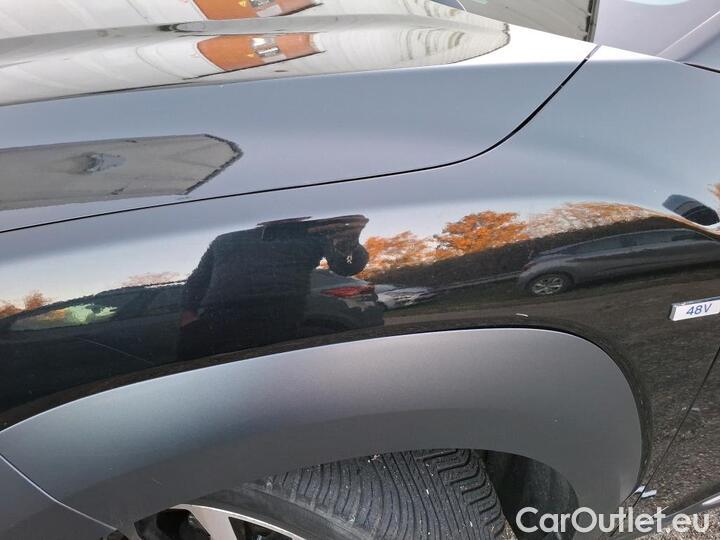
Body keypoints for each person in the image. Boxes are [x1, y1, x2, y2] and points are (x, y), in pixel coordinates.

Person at [178, 215, 369, 359]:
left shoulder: (315, 232)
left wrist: (349, 246)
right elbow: (199, 278)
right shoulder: (226, 237)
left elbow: (346, 266)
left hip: (280, 317)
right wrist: (188, 314)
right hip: (217, 317)